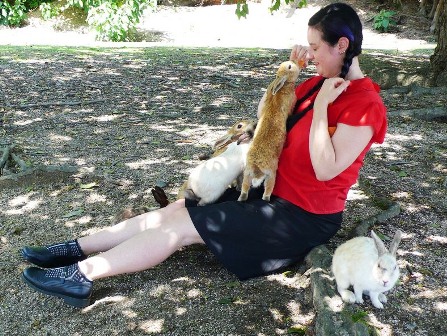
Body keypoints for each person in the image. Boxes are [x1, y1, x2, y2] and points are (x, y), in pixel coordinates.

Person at [21, 2, 387, 308]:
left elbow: (326, 169)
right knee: (177, 208)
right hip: (268, 191)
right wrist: (298, 77)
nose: (309, 53)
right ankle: (72, 250)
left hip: (301, 217)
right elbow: (271, 122)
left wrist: (322, 106)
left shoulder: (364, 103)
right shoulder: (316, 83)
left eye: (316, 47)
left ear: (341, 45)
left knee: (182, 227)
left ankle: (80, 277)